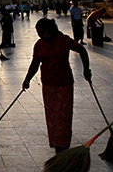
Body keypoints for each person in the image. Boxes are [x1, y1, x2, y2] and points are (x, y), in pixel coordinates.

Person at [23, 18, 91, 153]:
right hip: (48, 84)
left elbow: (82, 51)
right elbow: (35, 63)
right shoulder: (39, 45)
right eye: (38, 32)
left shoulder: (63, 40)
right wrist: (27, 79)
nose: (40, 35)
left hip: (63, 83)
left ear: (50, 30)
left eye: (42, 32)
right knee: (52, 115)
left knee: (63, 115)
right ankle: (56, 142)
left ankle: (63, 143)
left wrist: (86, 69)